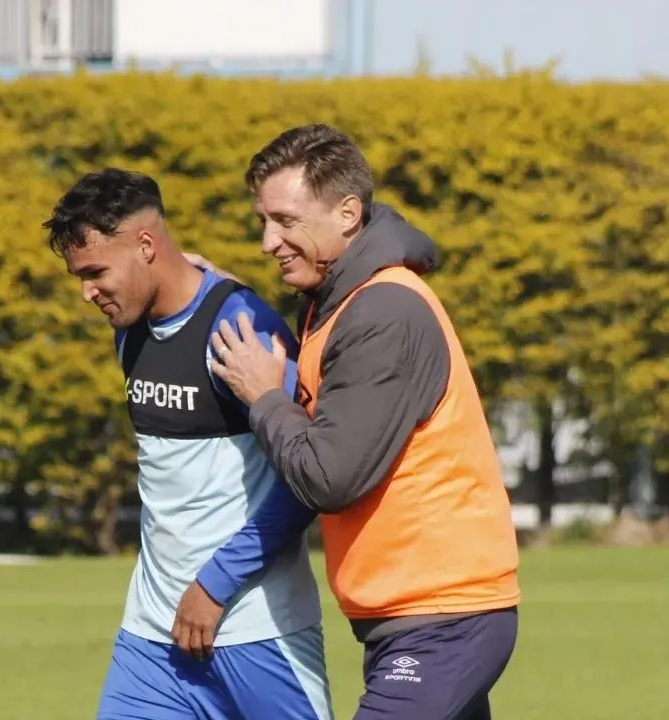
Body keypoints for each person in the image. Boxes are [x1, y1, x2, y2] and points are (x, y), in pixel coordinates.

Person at [206, 124, 522, 719]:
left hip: (444, 618)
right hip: (416, 618)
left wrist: (262, 396)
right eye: (262, 221)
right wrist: (202, 288)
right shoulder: (339, 300)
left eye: (286, 221)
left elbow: (330, 477)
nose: (268, 241)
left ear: (348, 213)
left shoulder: (383, 312)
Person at [43, 168, 333, 720]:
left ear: (146, 245)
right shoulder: (129, 330)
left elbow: (308, 477)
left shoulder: (243, 329)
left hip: (255, 632)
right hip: (151, 638)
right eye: (78, 276)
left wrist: (213, 585)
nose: (87, 292)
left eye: (96, 271)